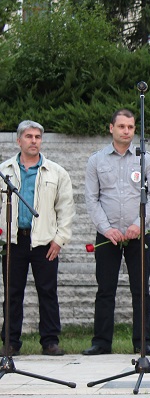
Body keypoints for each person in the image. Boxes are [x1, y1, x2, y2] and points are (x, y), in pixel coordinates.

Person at [83, 109, 150, 356]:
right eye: (121, 126)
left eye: (130, 127)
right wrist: (106, 229)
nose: (126, 131)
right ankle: (101, 342)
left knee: (140, 290)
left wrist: (139, 224)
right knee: (105, 289)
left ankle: (143, 343)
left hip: (138, 235)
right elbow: (91, 198)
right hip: (108, 236)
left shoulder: (145, 159)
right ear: (111, 128)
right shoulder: (96, 160)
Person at [0, 121, 74, 357]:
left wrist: (59, 239)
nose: (34, 141)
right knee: (12, 293)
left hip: (45, 241)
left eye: (38, 137)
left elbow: (66, 208)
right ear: (18, 140)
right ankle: (10, 342)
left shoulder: (56, 172)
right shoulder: (5, 171)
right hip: (13, 241)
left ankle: (50, 341)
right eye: (29, 136)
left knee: (48, 291)